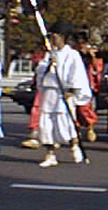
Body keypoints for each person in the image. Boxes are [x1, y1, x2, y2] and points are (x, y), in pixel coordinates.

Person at [36, 22, 92, 168]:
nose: (53, 39)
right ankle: (50, 154)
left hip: (64, 93)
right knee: (47, 125)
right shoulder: (49, 55)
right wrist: (49, 65)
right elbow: (40, 73)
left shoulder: (72, 55)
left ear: (62, 37)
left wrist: (72, 90)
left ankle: (75, 145)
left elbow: (77, 74)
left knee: (65, 124)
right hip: (50, 92)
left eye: (55, 36)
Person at [75, 32, 103, 143]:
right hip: (75, 83)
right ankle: (76, 130)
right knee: (75, 109)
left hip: (87, 83)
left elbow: (97, 69)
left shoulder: (92, 55)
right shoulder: (74, 54)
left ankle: (90, 127)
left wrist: (93, 58)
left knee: (86, 108)